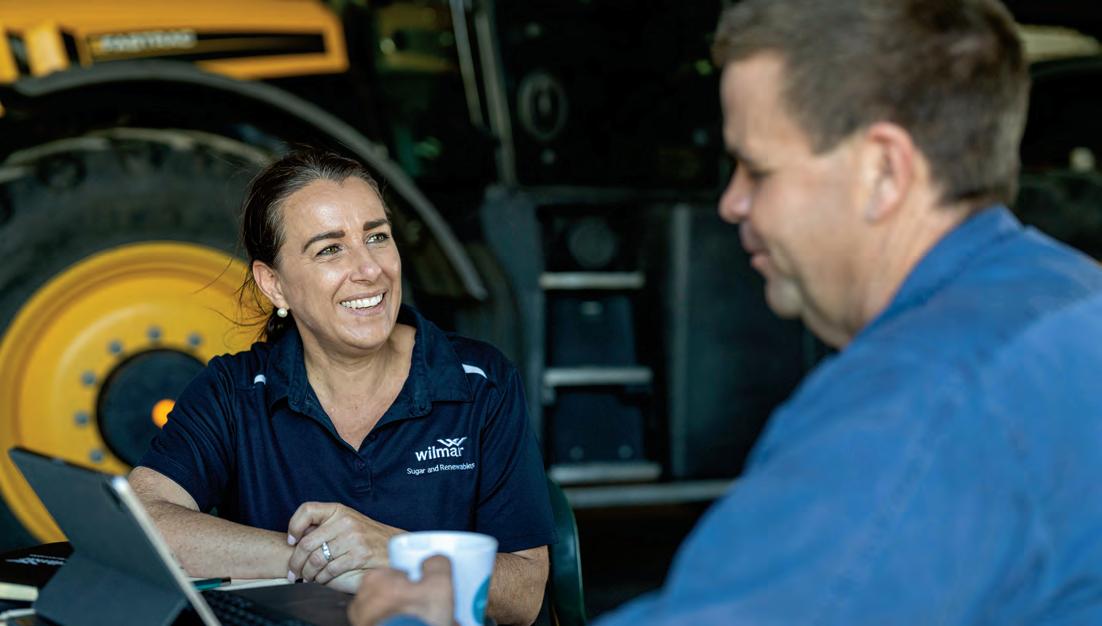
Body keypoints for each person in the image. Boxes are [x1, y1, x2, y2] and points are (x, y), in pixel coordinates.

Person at [347, 0, 1102, 623]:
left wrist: (440, 613)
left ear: (884, 171)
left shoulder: (918, 402)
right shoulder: (1071, 297)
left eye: (757, 169)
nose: (731, 202)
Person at [129, 150, 553, 626]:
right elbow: (141, 524)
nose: (369, 269)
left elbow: (524, 594)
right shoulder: (234, 391)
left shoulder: (480, 381)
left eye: (377, 237)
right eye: (330, 249)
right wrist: (322, 559)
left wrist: (392, 551)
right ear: (274, 285)